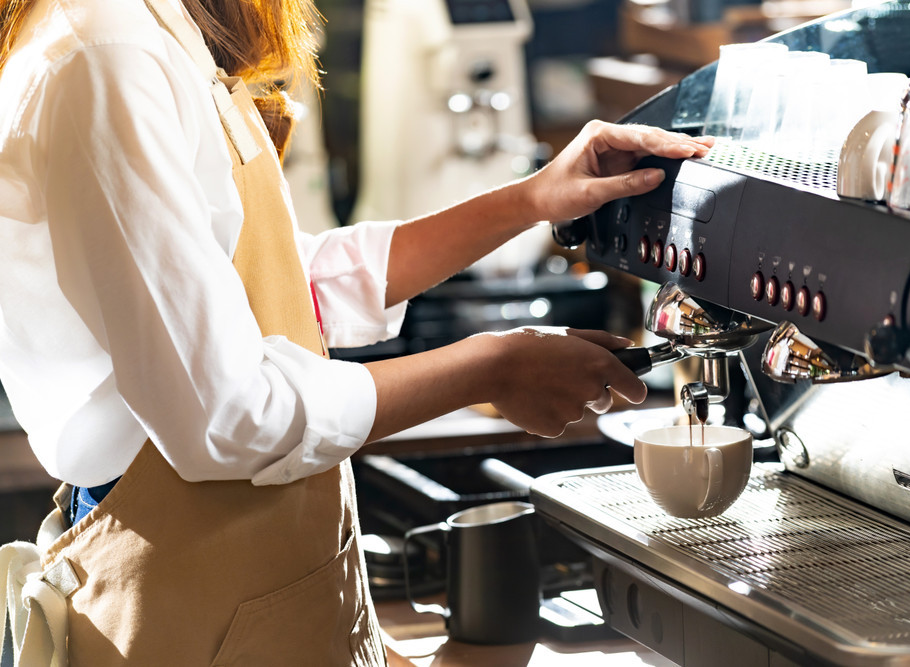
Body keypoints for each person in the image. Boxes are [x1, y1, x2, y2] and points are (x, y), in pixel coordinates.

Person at [0, 0, 714, 662]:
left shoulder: (155, 30)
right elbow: (226, 414)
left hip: (251, 552)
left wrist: (530, 198)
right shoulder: (108, 54)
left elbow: (282, 279)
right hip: (180, 561)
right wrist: (490, 367)